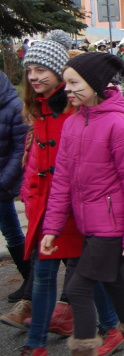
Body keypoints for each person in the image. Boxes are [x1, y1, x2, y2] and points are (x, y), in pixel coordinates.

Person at [40, 52, 124, 355]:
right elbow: (62, 181)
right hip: (87, 225)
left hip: (110, 228)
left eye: (74, 83)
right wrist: (51, 227)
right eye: (66, 83)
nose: (67, 89)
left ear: (95, 84)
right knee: (116, 285)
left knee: (77, 290)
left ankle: (84, 350)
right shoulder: (72, 123)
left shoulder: (119, 125)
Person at [5, 32, 83, 353]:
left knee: (90, 278)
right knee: (43, 277)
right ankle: (35, 344)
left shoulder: (75, 109)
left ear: (58, 71)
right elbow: (34, 161)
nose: (34, 77)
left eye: (41, 70)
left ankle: (119, 327)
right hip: (45, 211)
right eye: (29, 70)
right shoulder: (36, 110)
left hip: (73, 209)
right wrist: (30, 195)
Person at [0, 71, 30, 303]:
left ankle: (30, 280)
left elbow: (21, 149)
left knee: (11, 230)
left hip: (3, 183)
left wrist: (3, 182)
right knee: (10, 228)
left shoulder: (14, 107)